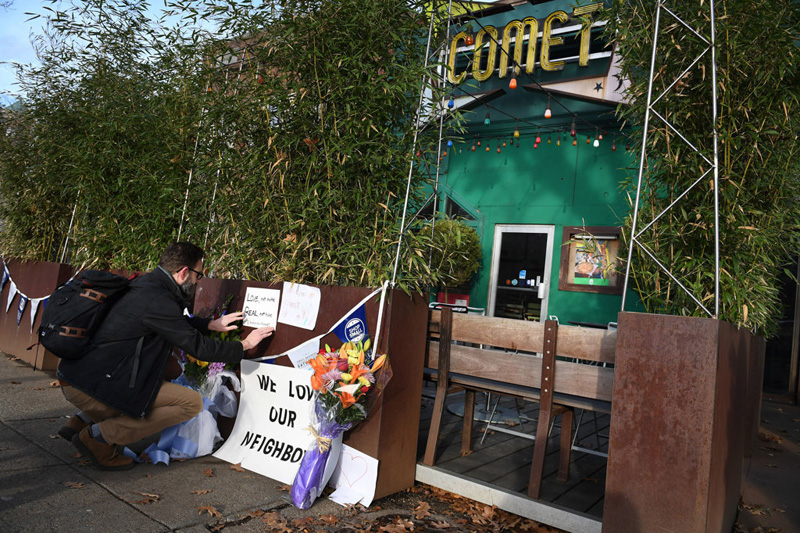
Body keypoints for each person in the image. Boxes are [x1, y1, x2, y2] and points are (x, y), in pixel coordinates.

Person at [57, 242, 274, 471]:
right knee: (190, 403)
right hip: (94, 384)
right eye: (199, 274)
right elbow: (198, 348)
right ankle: (99, 437)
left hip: (79, 376)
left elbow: (171, 322)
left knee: (159, 377)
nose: (199, 280)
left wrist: (209, 323)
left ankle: (82, 419)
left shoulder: (146, 284)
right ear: (183, 272)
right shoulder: (159, 300)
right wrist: (245, 345)